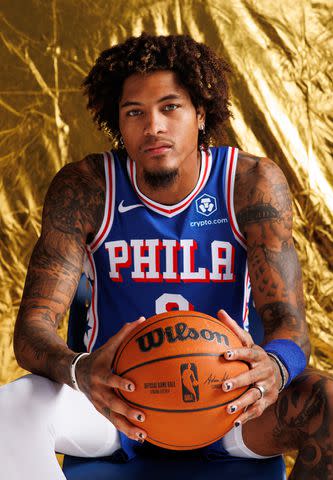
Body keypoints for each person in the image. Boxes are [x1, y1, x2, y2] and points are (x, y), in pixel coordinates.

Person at [0, 33, 332, 480]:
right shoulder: (87, 188)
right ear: (117, 121)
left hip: (229, 402)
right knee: (11, 409)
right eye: (134, 112)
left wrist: (274, 366)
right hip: (117, 405)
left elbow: (291, 326)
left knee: (327, 405)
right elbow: (32, 329)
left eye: (170, 107)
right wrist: (82, 370)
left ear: (201, 112)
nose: (152, 126)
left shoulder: (249, 184)